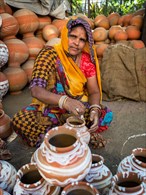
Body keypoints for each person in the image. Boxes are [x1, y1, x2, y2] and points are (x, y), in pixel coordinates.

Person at [12, 17, 113, 148]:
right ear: (65, 34)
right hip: (50, 108)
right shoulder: (49, 54)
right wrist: (64, 101)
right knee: (20, 120)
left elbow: (94, 91)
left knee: (106, 114)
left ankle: (62, 134)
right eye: (73, 36)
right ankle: (67, 136)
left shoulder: (87, 60)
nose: (77, 43)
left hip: (77, 108)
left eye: (82, 40)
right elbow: (36, 89)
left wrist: (94, 109)